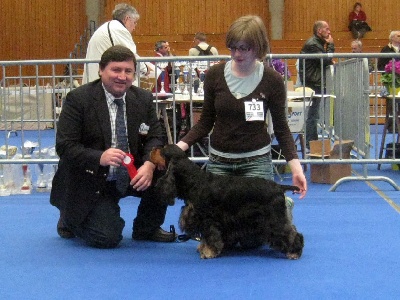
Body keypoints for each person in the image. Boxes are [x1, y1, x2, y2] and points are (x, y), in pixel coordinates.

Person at [177, 15, 307, 216]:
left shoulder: (272, 80)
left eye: (244, 48)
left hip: (255, 162)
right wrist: (179, 147)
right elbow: (205, 122)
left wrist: (296, 168)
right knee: (218, 229)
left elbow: (281, 128)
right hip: (219, 162)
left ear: (258, 47)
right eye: (233, 47)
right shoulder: (214, 75)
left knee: (251, 239)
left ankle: (282, 204)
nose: (237, 53)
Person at [50, 45, 176, 248]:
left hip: (131, 175)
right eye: (116, 70)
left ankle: (147, 228)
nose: (122, 76)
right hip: (92, 177)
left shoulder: (143, 98)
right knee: (107, 238)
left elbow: (156, 136)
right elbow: (64, 146)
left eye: (128, 71)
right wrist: (99, 157)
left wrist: (149, 164)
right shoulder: (78, 99)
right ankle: (70, 218)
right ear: (101, 70)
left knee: (165, 169)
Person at [82, 3, 152, 84]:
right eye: (134, 22)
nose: (135, 27)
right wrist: (146, 69)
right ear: (127, 19)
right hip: (100, 82)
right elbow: (130, 56)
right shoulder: (119, 30)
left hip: (95, 79)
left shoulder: (109, 27)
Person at [299, 20, 335, 149]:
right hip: (313, 83)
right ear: (319, 30)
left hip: (314, 81)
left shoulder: (316, 43)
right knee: (313, 115)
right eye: (327, 28)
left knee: (314, 115)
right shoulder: (313, 44)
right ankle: (311, 144)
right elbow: (325, 60)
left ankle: (312, 143)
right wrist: (331, 45)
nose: (329, 31)